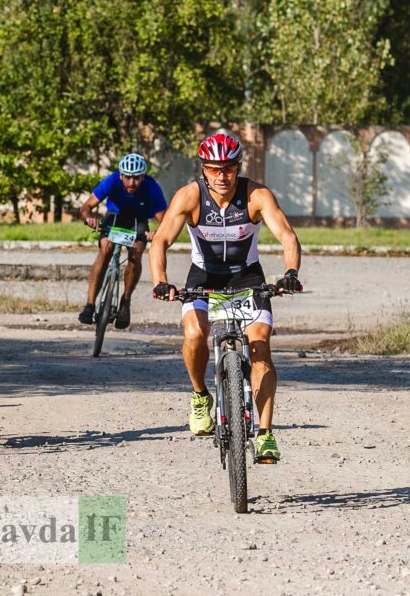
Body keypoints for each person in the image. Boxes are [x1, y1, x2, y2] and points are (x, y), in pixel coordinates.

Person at [148, 132, 302, 462]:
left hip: (247, 277)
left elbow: (288, 236)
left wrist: (290, 273)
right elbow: (160, 241)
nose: (222, 176)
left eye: (229, 169)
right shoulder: (189, 196)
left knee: (260, 344)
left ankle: (265, 434)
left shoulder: (256, 195)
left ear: (238, 167)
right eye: (214, 169)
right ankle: (200, 395)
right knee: (195, 334)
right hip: (203, 277)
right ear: (203, 168)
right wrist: (161, 281)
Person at [77, 153, 168, 329]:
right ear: (121, 175)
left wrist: (157, 232)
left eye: (136, 178)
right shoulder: (112, 181)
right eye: (127, 177)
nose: (131, 182)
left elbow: (165, 220)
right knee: (106, 249)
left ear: (143, 176)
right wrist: (90, 218)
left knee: (135, 253)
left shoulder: (151, 187)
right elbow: (86, 207)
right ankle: (89, 304)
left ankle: (125, 301)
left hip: (138, 221)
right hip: (115, 217)